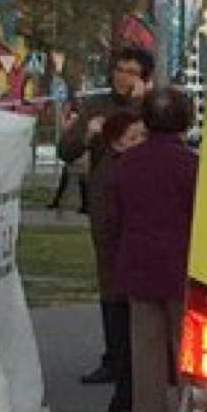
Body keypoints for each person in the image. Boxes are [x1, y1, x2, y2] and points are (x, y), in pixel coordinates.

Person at [56, 47, 152, 384]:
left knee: (141, 285)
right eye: (119, 70)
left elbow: (155, 140)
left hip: (142, 208)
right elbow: (65, 151)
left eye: (131, 72)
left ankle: (142, 359)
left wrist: (138, 104)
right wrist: (87, 134)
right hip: (106, 207)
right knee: (110, 283)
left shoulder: (152, 109)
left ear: (144, 79)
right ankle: (114, 357)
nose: (122, 77)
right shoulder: (96, 106)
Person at [111, 86, 200, 412]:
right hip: (182, 262)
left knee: (145, 345)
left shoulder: (127, 163)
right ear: (185, 121)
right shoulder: (192, 165)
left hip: (139, 260)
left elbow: (118, 212)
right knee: (188, 347)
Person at [90, 109, 147, 412]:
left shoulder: (121, 169)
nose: (140, 143)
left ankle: (127, 404)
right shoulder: (112, 174)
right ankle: (122, 407)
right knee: (125, 343)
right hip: (119, 272)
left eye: (142, 136)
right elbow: (107, 227)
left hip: (122, 269)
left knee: (129, 341)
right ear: (116, 142)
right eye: (133, 138)